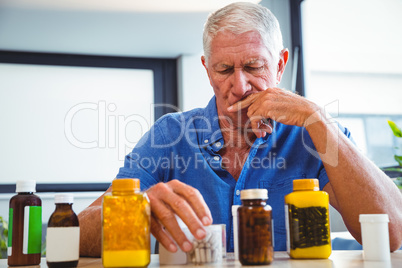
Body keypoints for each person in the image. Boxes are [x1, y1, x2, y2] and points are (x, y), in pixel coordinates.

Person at [78, 2, 402, 256]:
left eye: (253, 66)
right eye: (223, 69)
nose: (239, 85)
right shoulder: (168, 135)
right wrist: (136, 206)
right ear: (207, 70)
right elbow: (77, 236)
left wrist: (318, 117)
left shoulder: (313, 135)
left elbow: (390, 234)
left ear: (279, 64)